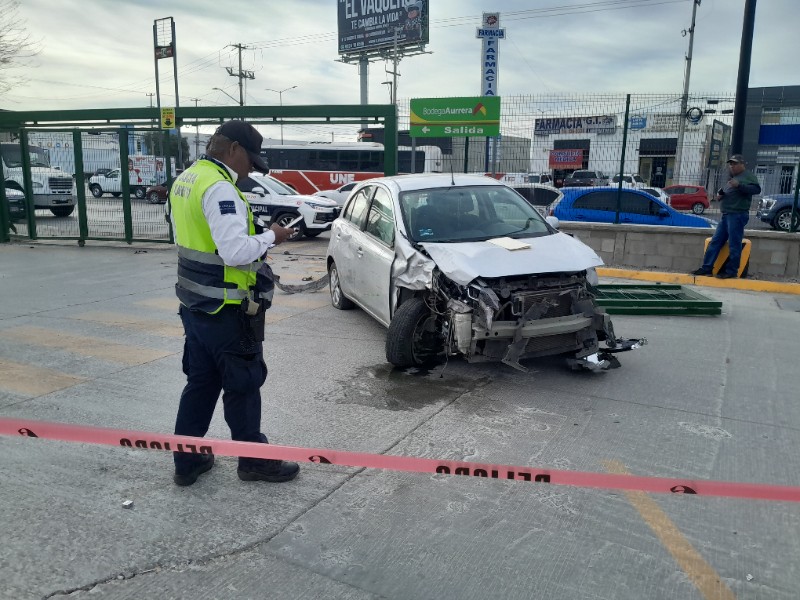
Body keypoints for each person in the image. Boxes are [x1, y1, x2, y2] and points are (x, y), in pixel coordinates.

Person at [168, 120, 298, 486]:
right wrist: (271, 237)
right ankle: (254, 461)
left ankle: (187, 463)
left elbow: (199, 239)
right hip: (227, 311)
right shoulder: (220, 189)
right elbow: (234, 252)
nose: (250, 171)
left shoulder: (187, 179)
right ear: (233, 150)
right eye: (250, 161)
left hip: (194, 306)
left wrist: (253, 234)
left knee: (201, 384)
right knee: (242, 385)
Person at [691, 154, 761, 279]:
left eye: (734, 164)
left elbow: (756, 189)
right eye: (730, 164)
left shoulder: (748, 176)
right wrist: (720, 195)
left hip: (737, 214)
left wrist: (739, 186)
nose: (732, 166)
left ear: (742, 164)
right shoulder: (732, 178)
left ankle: (731, 271)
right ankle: (706, 268)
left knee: (734, 243)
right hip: (726, 214)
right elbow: (726, 191)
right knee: (716, 241)